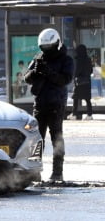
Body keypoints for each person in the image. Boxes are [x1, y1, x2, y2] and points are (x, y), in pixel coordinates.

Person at [24, 28, 74, 183]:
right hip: (39, 104)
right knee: (36, 140)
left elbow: (65, 80)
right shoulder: (39, 57)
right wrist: (35, 73)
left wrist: (48, 72)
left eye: (48, 48)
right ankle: (34, 172)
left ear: (56, 44)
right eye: (43, 48)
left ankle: (57, 172)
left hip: (56, 105)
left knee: (56, 138)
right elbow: (27, 78)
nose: (46, 51)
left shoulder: (66, 60)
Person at [68, 44, 93, 120]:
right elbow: (91, 70)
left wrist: (74, 76)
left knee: (76, 98)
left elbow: (77, 71)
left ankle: (74, 114)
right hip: (87, 82)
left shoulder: (78, 59)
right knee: (87, 99)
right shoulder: (88, 59)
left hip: (79, 82)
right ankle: (89, 115)